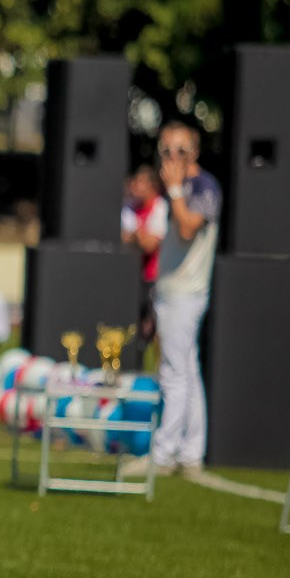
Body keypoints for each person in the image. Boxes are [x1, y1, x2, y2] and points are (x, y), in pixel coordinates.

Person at [124, 122, 222, 480]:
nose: (172, 158)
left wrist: (176, 188)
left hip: (186, 293)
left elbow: (187, 228)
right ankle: (191, 453)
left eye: (180, 150)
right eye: (165, 150)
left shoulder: (203, 186)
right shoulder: (171, 191)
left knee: (173, 374)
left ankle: (163, 454)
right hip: (169, 290)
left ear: (194, 152)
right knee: (187, 373)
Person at [120, 162, 167, 342]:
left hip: (154, 278)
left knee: (153, 330)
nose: (135, 186)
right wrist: (138, 235)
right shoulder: (131, 206)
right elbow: (120, 236)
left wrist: (135, 235)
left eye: (140, 182)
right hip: (134, 277)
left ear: (152, 185)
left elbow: (150, 244)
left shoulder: (160, 208)